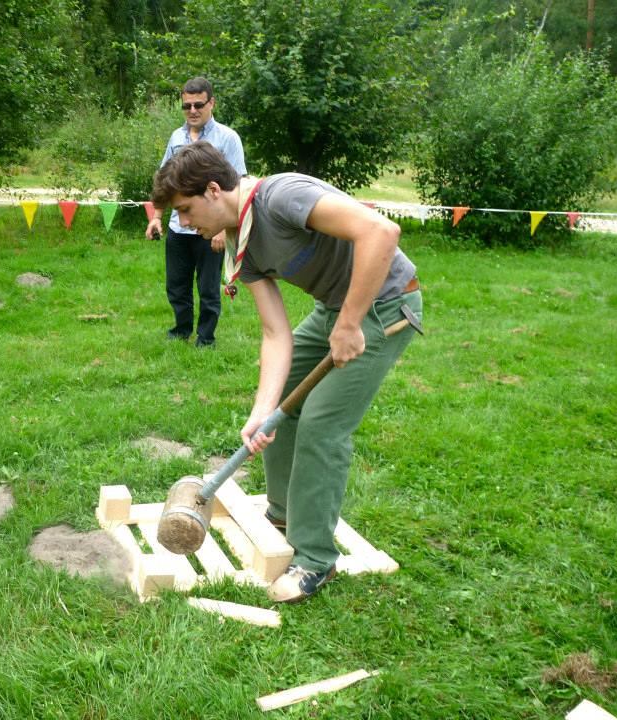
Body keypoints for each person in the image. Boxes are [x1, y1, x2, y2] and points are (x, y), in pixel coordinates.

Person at [151, 141, 423, 603]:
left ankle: (316, 558)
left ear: (214, 190)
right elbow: (276, 334)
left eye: (185, 209)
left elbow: (381, 232)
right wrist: (261, 411)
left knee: (322, 424)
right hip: (335, 311)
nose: (184, 222)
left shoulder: (281, 197)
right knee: (279, 410)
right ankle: (283, 513)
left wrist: (351, 322)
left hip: (384, 306)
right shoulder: (240, 240)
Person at [144, 77, 246, 348]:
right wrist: (156, 217)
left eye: (198, 104)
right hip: (179, 227)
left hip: (211, 228)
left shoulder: (228, 138)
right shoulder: (176, 138)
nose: (192, 111)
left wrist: (225, 229)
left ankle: (206, 338)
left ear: (211, 103)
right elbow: (164, 181)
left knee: (208, 288)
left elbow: (238, 186)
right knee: (176, 286)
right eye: (186, 106)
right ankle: (181, 330)